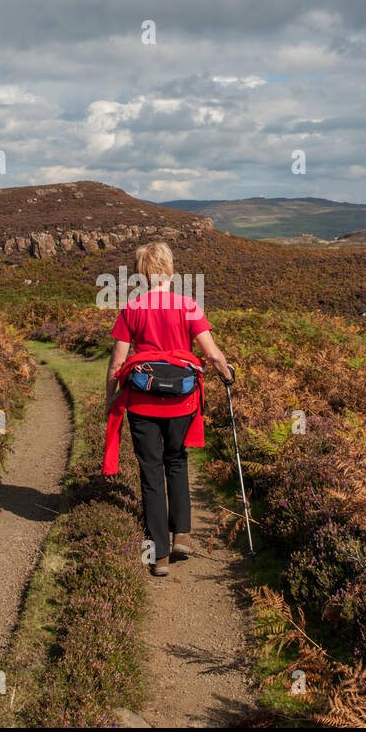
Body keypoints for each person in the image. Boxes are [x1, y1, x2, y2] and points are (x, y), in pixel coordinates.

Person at [104, 242, 233, 577]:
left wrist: (110, 400)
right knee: (176, 461)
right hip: (182, 401)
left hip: (142, 401)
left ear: (140, 273)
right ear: (170, 270)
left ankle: (158, 555)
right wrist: (227, 374)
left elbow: (117, 362)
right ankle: (183, 536)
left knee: (151, 472)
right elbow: (213, 355)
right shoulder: (188, 306)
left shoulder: (132, 309)